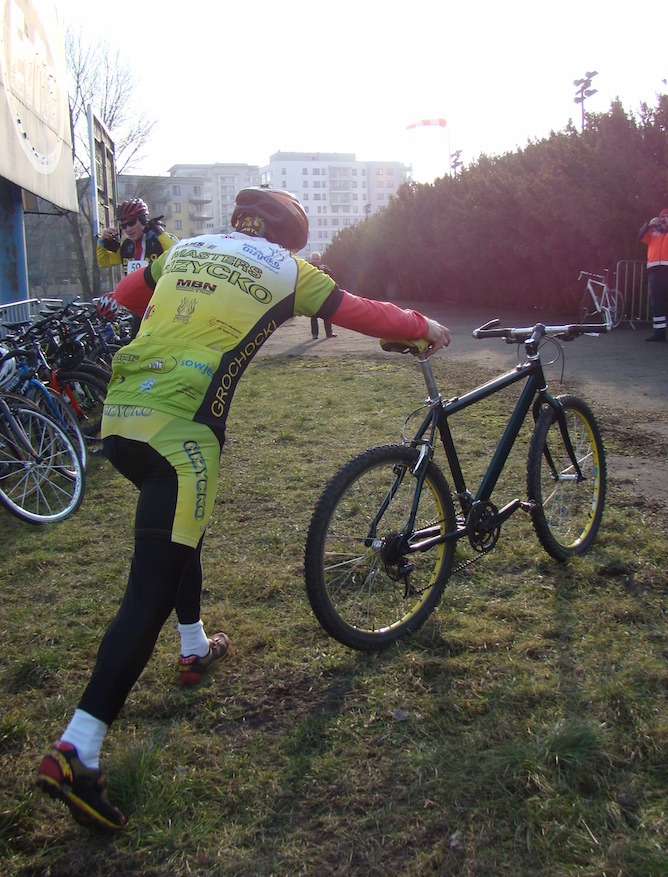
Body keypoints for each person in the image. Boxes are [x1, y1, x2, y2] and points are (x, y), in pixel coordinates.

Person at [36, 186, 450, 831]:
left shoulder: (184, 249)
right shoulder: (291, 270)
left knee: (184, 532)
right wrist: (425, 327)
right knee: (147, 593)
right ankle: (76, 751)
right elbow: (365, 313)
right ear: (288, 238)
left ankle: (194, 646)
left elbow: (123, 299)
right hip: (182, 432)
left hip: (120, 420)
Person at [96, 198, 178, 335]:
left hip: (161, 306)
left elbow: (178, 251)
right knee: (135, 343)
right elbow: (104, 262)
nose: (128, 229)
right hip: (138, 308)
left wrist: (159, 233)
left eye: (132, 223)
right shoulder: (127, 245)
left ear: (143, 220)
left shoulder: (158, 240)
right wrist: (101, 242)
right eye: (124, 226)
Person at [638, 207, 668, 343]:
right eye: (663, 217)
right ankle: (658, 332)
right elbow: (639, 236)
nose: (665, 219)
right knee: (657, 302)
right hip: (655, 271)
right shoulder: (653, 232)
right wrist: (648, 224)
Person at [308, 252, 337, 338]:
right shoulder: (308, 268)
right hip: (313, 294)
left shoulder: (324, 267)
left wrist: (324, 269)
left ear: (320, 259)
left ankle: (329, 333)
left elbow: (332, 276)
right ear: (311, 259)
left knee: (327, 314)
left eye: (317, 259)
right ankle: (315, 334)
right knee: (313, 315)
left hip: (324, 294)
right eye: (314, 259)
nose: (316, 261)